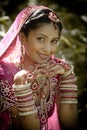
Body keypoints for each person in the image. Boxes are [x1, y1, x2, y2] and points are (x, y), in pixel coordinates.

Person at [0, 5, 78, 130]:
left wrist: (67, 77)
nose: (48, 50)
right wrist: (21, 86)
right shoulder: (3, 74)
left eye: (54, 41)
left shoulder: (56, 70)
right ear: (22, 37)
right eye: (41, 39)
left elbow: (69, 124)